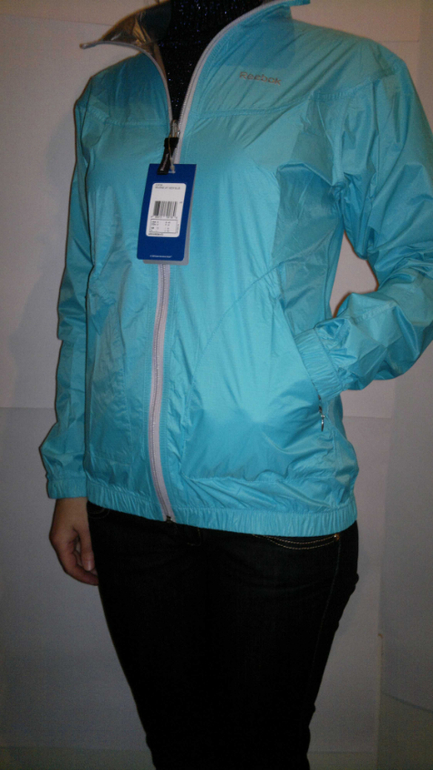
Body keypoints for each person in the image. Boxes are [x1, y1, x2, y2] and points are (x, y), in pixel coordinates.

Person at [41, 0, 433, 768]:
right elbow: (86, 301)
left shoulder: (351, 74)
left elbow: (420, 263)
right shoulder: (107, 98)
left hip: (276, 501)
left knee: (260, 754)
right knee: (177, 749)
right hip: (125, 505)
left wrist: (301, 371)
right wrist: (73, 475)